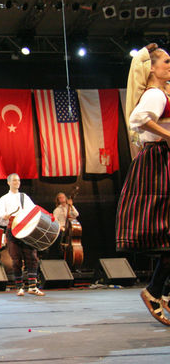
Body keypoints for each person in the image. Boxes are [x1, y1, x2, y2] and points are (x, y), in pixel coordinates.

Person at [116, 43, 170, 326]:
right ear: (151, 68)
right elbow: (137, 119)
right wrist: (167, 136)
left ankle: (160, 292)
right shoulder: (155, 94)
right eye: (166, 62)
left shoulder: (163, 94)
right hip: (160, 163)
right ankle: (156, 292)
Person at [0, 173, 45, 296]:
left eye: (19, 180)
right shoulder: (4, 199)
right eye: (14, 180)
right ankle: (20, 287)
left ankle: (32, 286)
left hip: (26, 231)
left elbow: (33, 211)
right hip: (12, 230)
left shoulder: (24, 197)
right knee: (16, 260)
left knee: (32, 257)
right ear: (8, 182)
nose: (17, 182)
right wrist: (4, 217)